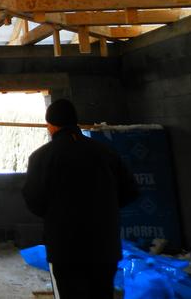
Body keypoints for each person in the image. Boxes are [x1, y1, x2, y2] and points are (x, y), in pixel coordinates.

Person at [22, 98, 138, 299]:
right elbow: (130, 192)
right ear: (74, 122)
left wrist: (57, 214)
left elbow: (34, 200)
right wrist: (105, 209)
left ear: (51, 125)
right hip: (104, 244)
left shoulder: (41, 157)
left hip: (65, 247)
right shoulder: (105, 152)